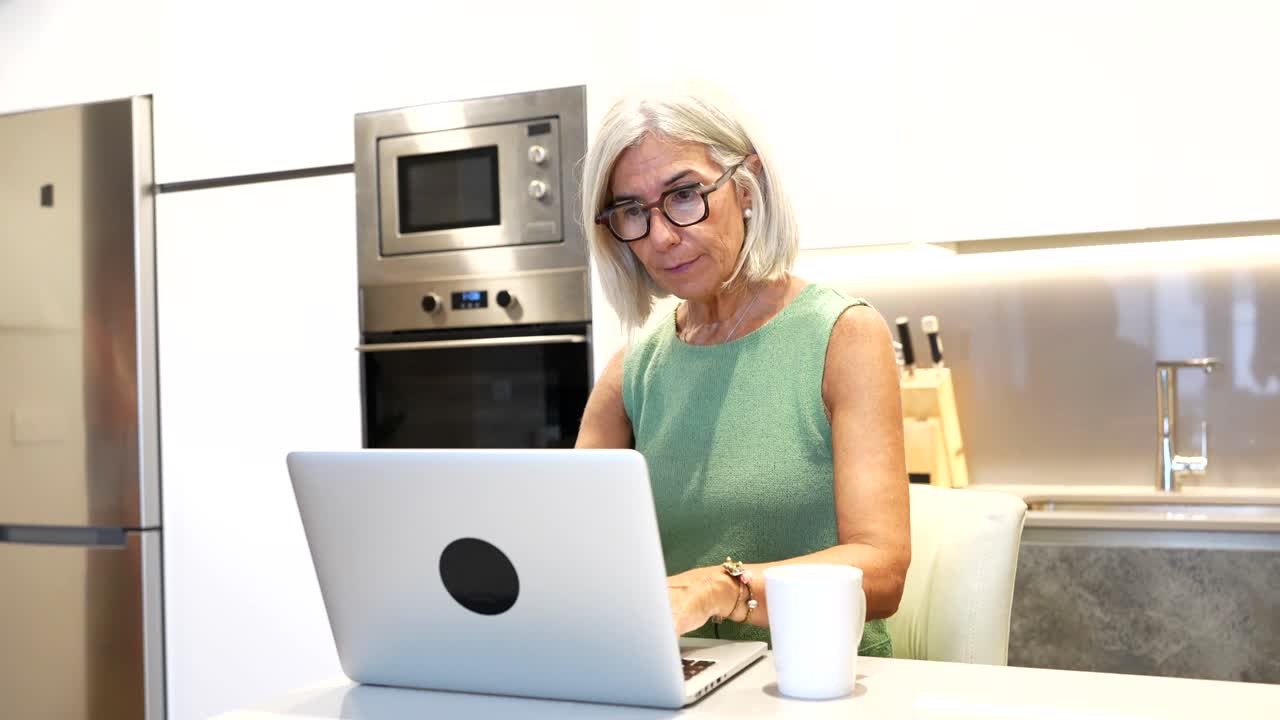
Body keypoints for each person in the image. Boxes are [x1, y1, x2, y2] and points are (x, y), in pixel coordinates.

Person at [575, 90, 911, 657]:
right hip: (681, 679)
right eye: (632, 211)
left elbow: (882, 572)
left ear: (748, 186)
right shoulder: (631, 372)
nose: (660, 236)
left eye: (684, 195)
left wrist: (722, 589)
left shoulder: (844, 337)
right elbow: (569, 543)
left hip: (818, 682)